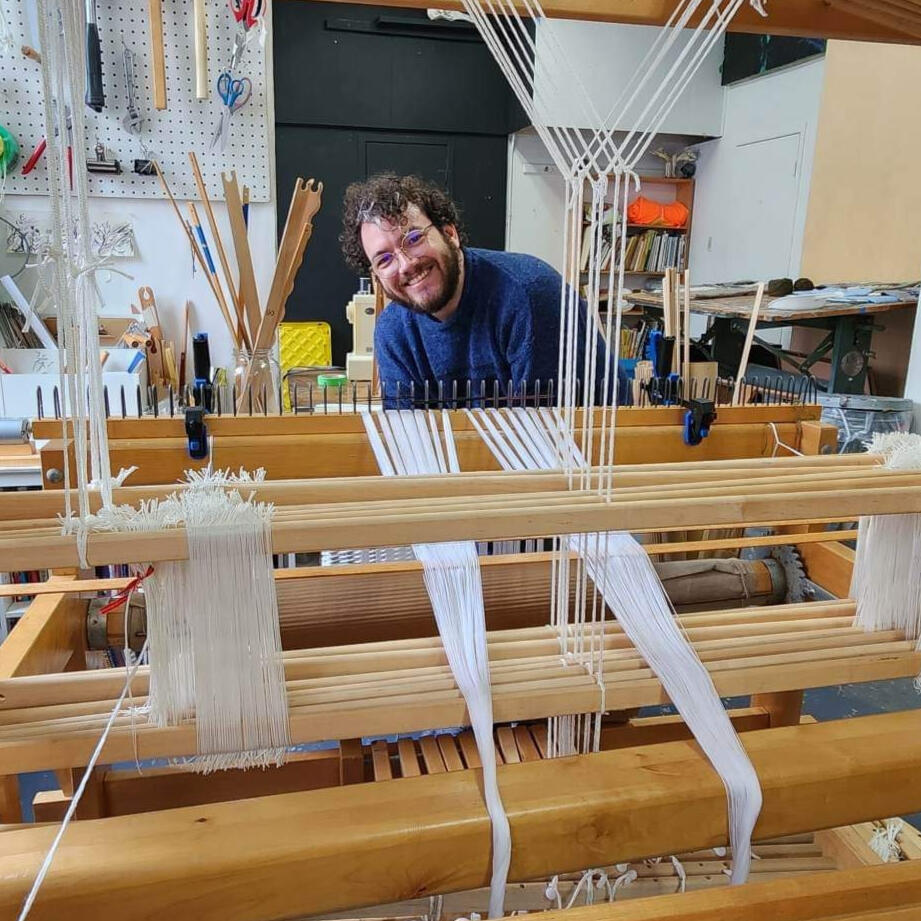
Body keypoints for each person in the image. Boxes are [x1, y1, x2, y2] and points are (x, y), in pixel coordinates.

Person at [340, 173, 626, 407]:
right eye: (384, 260)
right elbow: (411, 440)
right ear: (376, 275)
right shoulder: (394, 333)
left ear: (449, 234)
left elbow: (544, 439)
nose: (406, 265)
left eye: (413, 238)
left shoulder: (530, 296)